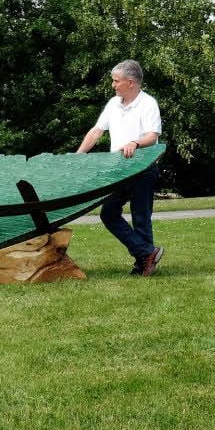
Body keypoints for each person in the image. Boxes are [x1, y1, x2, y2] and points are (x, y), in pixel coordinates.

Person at [76, 59, 164, 276]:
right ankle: (147, 252)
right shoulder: (113, 103)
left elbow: (153, 136)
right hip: (119, 169)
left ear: (131, 82)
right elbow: (97, 131)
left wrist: (135, 142)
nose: (113, 85)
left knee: (141, 218)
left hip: (143, 169)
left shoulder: (148, 103)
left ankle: (142, 264)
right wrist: (78, 156)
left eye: (116, 81)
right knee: (109, 214)